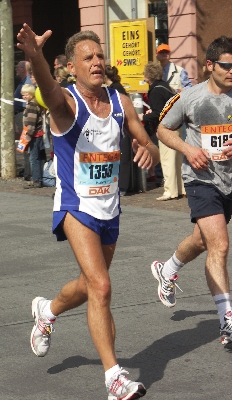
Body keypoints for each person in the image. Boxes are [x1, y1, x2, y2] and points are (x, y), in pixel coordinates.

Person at [17, 24, 159, 399]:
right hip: (75, 206)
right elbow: (47, 88)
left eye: (99, 56)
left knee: (88, 284)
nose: (97, 62)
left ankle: (47, 311)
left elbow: (145, 141)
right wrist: (35, 57)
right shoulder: (65, 102)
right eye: (88, 58)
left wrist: (149, 151)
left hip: (109, 208)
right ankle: (114, 377)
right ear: (72, 68)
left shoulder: (120, 101)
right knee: (101, 285)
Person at [151, 36, 232, 349]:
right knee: (220, 245)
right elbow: (162, 128)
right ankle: (227, 321)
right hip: (201, 180)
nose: (231, 71)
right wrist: (188, 149)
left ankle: (168, 270)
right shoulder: (190, 97)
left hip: (229, 179)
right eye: (226, 65)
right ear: (210, 66)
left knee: (203, 240)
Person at [139, 62, 186, 200]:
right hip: (176, 126)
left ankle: (170, 191)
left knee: (167, 160)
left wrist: (144, 116)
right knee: (177, 160)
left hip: (166, 128)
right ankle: (181, 189)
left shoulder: (155, 90)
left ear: (148, 76)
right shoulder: (166, 87)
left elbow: (159, 113)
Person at [104, 65, 131, 197]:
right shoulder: (113, 88)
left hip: (121, 126)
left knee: (123, 156)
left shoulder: (115, 89)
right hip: (117, 125)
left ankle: (123, 186)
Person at [20, 83, 46, 188]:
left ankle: (36, 180)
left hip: (34, 135)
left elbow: (31, 122)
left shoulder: (31, 105)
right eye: (23, 95)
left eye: (26, 94)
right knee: (40, 157)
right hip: (39, 133)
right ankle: (41, 178)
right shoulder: (37, 103)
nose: (24, 97)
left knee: (33, 158)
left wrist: (29, 135)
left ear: (31, 94)